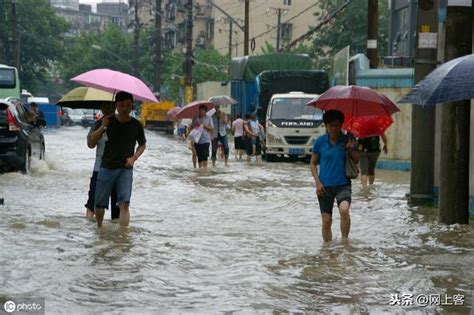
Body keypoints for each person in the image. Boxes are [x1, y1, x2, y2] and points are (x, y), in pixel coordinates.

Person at [90, 91, 146, 228]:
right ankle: (100, 229)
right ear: (116, 105)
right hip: (106, 167)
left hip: (125, 169)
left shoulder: (136, 125)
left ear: (132, 106)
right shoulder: (107, 121)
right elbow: (91, 142)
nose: (125, 108)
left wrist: (134, 158)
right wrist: (103, 126)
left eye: (128, 105)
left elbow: (142, 144)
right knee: (100, 204)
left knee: (124, 204)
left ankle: (123, 237)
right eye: (121, 105)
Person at [310, 110, 359, 243]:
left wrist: (351, 148)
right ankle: (327, 251)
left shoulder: (348, 140)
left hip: (343, 184)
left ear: (341, 125)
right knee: (326, 221)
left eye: (337, 125)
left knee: (344, 210)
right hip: (324, 186)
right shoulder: (320, 142)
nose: (334, 128)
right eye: (331, 125)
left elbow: (356, 160)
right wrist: (317, 183)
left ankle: (344, 241)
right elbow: (313, 164)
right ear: (326, 126)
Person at [85, 102, 120, 220]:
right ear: (101, 108)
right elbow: (90, 144)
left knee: (117, 208)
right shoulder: (97, 124)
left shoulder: (121, 124)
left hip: (116, 170)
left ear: (115, 107)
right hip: (99, 169)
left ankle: (117, 235)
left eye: (110, 106)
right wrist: (102, 127)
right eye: (105, 106)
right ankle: (90, 228)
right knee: (92, 203)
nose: (108, 109)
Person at [191, 104, 214, 169]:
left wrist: (204, 126)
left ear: (205, 111)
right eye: (199, 110)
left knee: (205, 156)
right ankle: (200, 171)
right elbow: (191, 128)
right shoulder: (195, 118)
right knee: (200, 158)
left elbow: (212, 128)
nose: (200, 112)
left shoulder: (209, 118)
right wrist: (195, 124)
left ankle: (205, 170)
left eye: (202, 110)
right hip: (197, 140)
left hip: (206, 140)